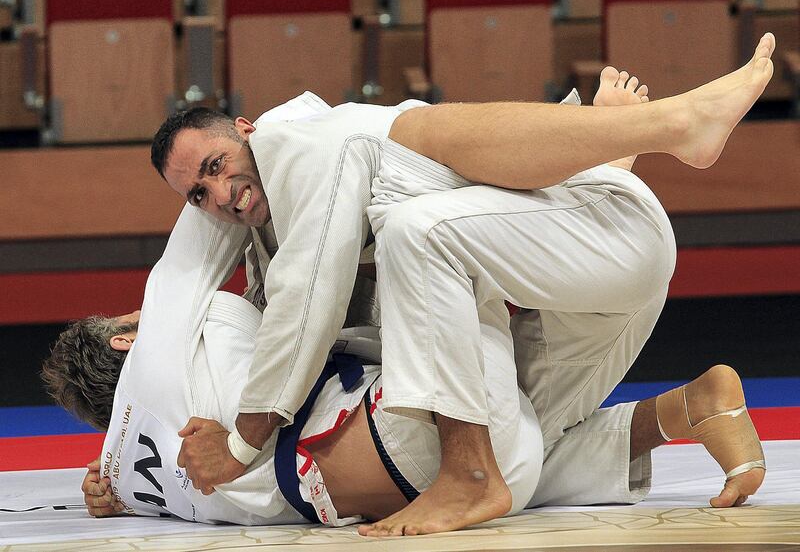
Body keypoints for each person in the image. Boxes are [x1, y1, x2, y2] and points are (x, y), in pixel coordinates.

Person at [149, 37, 774, 533]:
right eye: (198, 194)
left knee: (414, 231)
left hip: (605, 239)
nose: (220, 195)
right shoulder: (274, 227)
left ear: (247, 129)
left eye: (216, 166)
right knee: (518, 441)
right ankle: (693, 406)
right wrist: (133, 448)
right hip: (584, 277)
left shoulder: (297, 144)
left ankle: (467, 474)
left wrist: (238, 445)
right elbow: (291, 311)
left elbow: (304, 304)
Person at [43, 205, 759, 527]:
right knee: (426, 231)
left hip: (403, 476)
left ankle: (689, 410)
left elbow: (108, 484)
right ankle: (588, 181)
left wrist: (99, 490)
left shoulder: (126, 478)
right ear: (122, 342)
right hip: (406, 431)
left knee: (530, 444)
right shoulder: (164, 338)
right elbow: (207, 219)